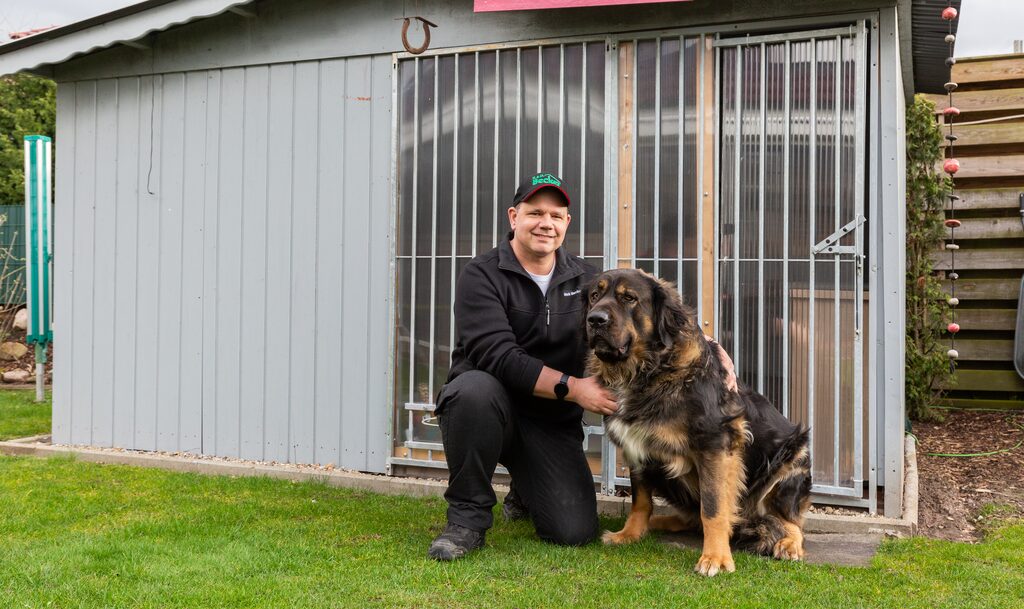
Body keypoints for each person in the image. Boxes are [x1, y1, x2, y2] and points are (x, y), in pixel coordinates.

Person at [427, 172, 735, 561]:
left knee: (572, 530)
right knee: (472, 391)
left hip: (549, 421)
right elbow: (497, 354)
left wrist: (709, 345)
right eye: (535, 213)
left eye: (556, 216)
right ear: (514, 217)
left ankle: (526, 486)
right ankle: (466, 520)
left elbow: (653, 309)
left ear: (566, 223)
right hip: (490, 406)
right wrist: (573, 389)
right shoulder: (482, 274)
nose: (546, 223)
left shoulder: (588, 280)